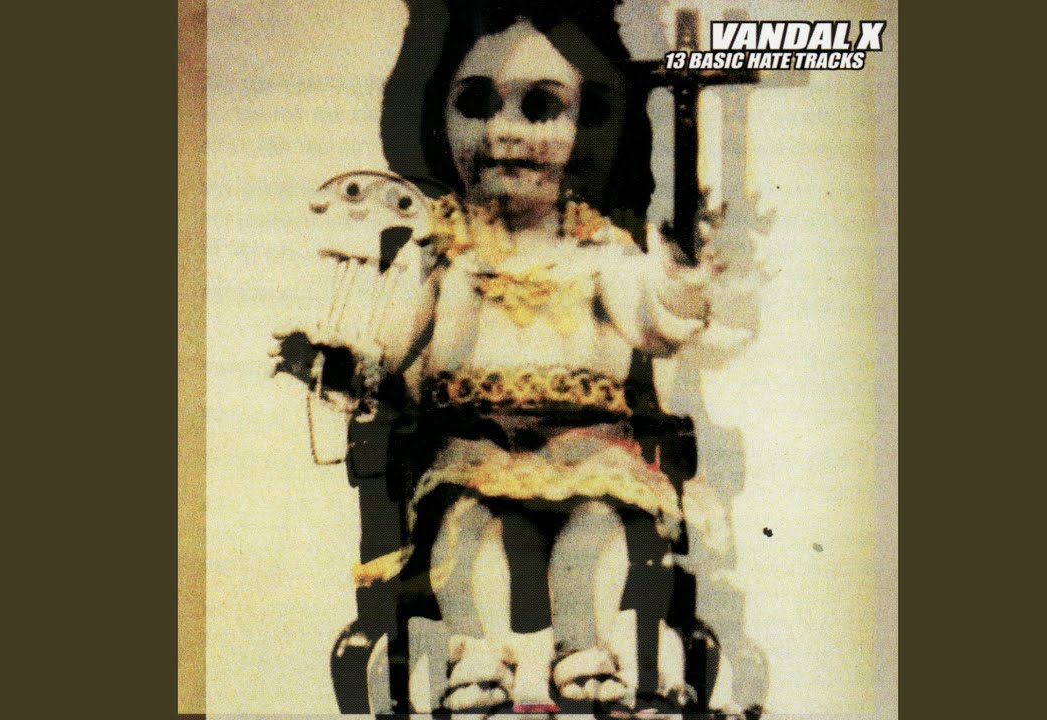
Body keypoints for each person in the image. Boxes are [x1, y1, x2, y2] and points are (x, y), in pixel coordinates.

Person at [277, 2, 760, 713]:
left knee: (596, 528)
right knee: (464, 528)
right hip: (471, 452)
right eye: (476, 105)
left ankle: (585, 647)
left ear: (588, 126)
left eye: (540, 108)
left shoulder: (600, 250)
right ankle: (475, 654)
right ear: (434, 119)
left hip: (591, 450)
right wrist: (342, 363)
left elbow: (654, 318)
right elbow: (390, 349)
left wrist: (685, 275)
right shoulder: (439, 252)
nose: (505, 132)